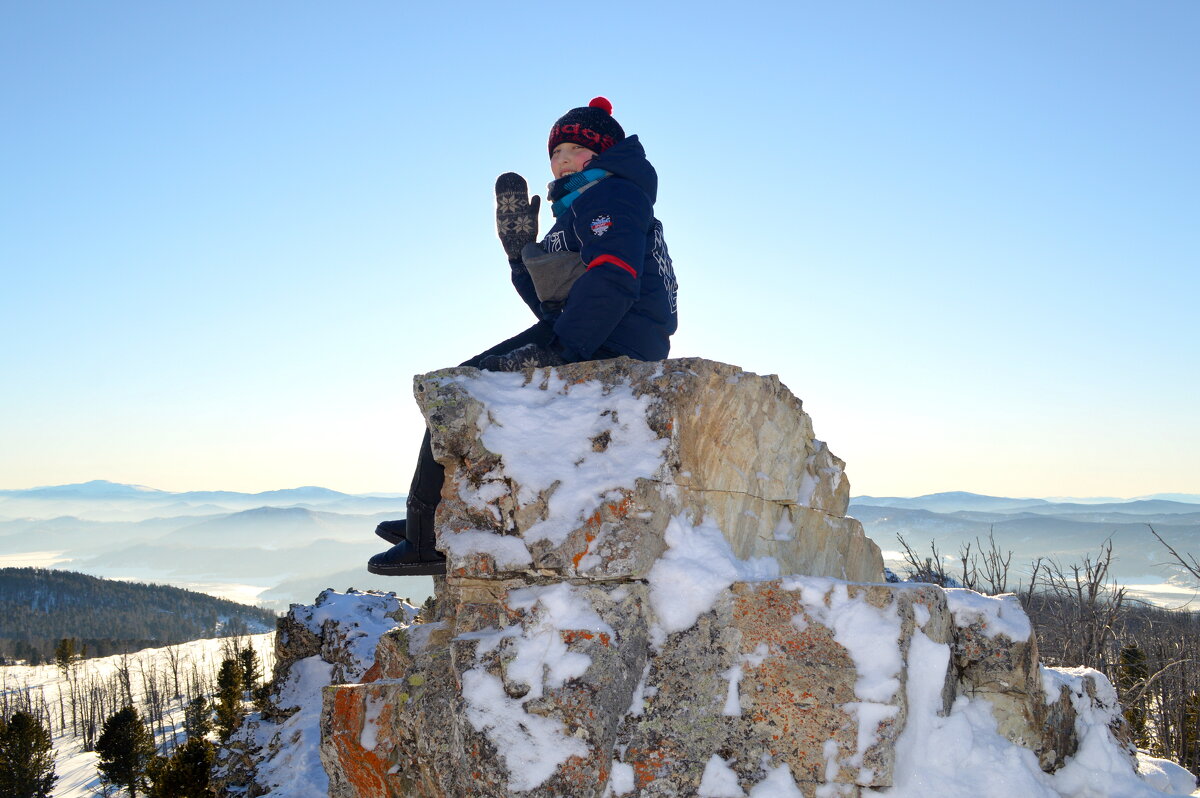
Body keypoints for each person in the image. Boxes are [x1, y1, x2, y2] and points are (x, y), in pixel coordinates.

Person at [368, 97, 678, 576]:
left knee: (462, 389)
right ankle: (429, 520)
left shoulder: (612, 196)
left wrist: (561, 347)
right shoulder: (577, 210)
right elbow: (553, 303)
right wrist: (519, 258)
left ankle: (425, 535)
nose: (561, 160)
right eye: (555, 153)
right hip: (594, 331)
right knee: (462, 382)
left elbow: (614, 278)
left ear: (603, 154)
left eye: (575, 149)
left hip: (617, 338)